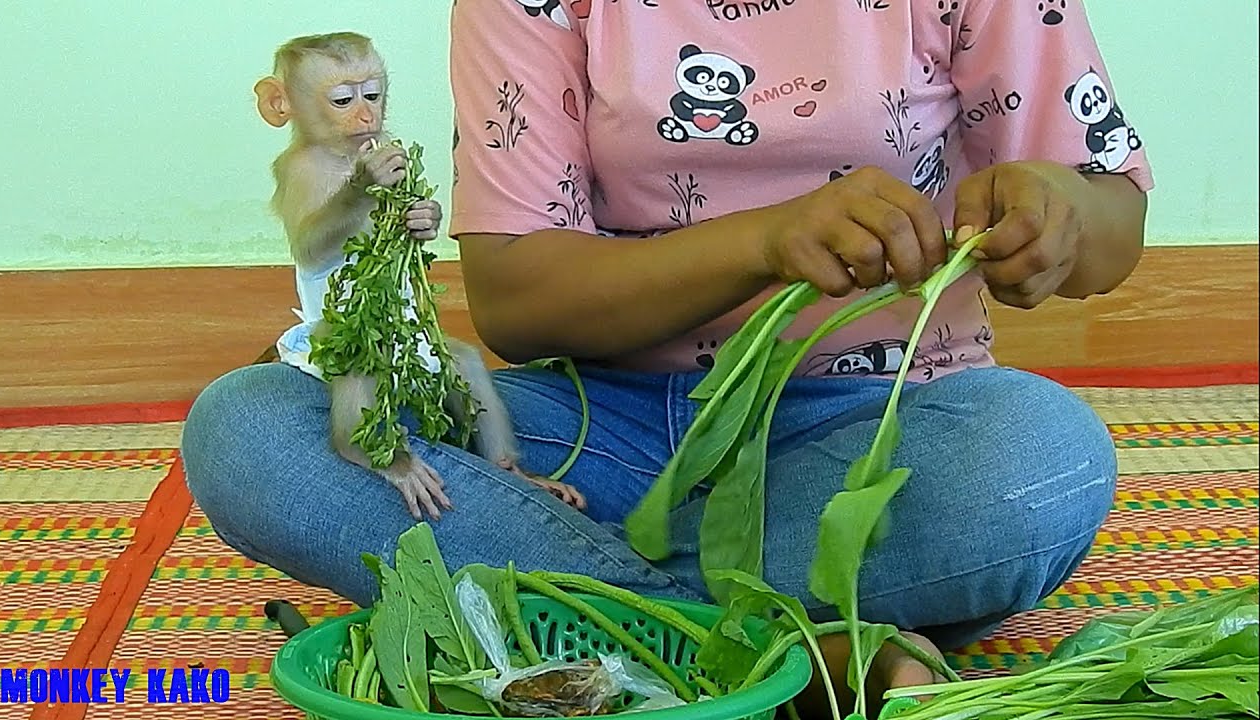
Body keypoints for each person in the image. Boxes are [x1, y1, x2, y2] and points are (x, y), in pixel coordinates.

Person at [181, 0, 1152, 713]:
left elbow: (1110, 209)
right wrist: (766, 242)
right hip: (593, 434)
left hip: (872, 434)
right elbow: (516, 303)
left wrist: (1059, 219)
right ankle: (778, 651)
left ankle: (600, 636)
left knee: (1037, 460)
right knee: (253, 428)